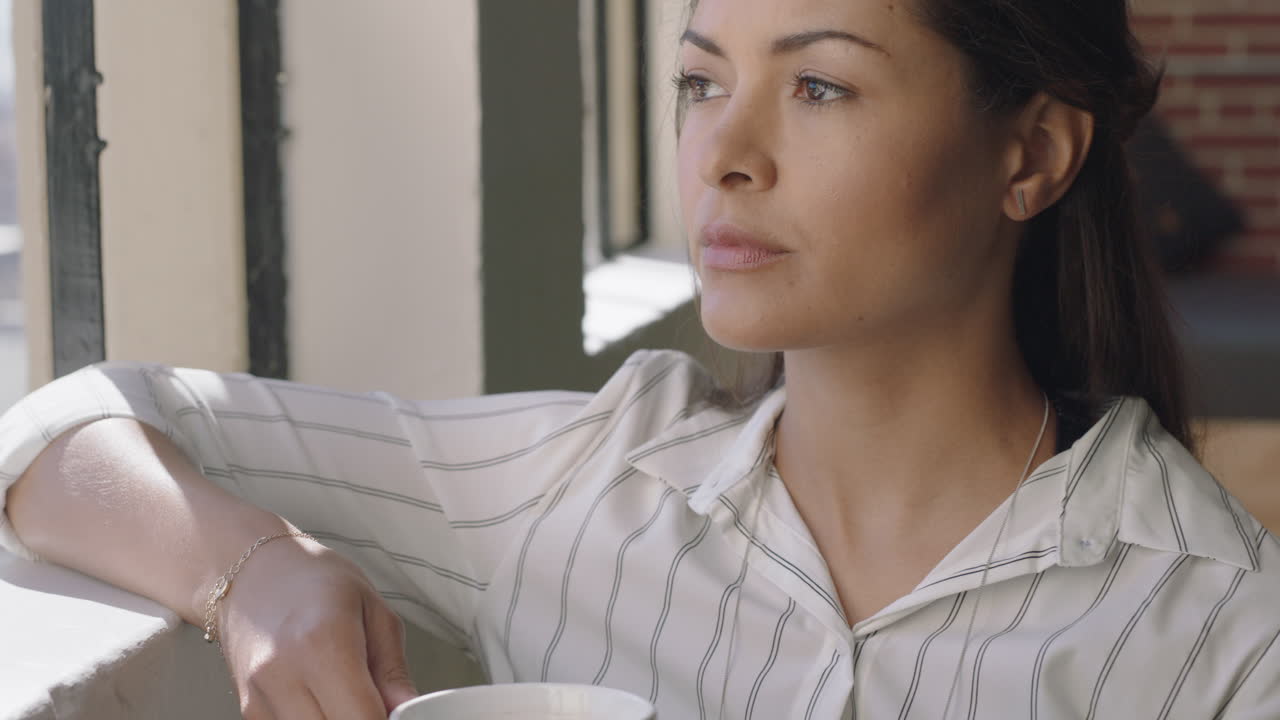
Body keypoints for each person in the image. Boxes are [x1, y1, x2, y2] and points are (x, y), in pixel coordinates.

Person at [3, 0, 1278, 717]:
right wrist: (257, 574)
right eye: (695, 82)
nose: (725, 152)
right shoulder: (574, 482)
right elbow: (65, 430)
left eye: (820, 87)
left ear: (1029, 156)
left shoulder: (1220, 635)